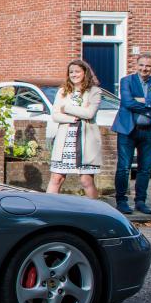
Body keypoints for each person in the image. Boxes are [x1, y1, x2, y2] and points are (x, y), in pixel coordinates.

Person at [112, 52, 151, 215]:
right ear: (136, 65)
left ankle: (140, 201)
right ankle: (122, 201)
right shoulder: (127, 81)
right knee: (124, 167)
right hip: (127, 130)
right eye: (142, 65)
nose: (144, 68)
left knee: (145, 168)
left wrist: (145, 101)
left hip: (148, 131)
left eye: (148, 66)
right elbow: (127, 102)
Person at [48, 59, 103, 200]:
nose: (74, 74)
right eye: (71, 72)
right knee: (56, 178)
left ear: (85, 73)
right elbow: (55, 115)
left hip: (85, 141)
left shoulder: (94, 91)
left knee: (86, 180)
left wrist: (66, 108)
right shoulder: (62, 91)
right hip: (65, 141)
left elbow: (89, 113)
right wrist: (72, 118)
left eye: (77, 71)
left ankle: (96, 212)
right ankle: (47, 208)